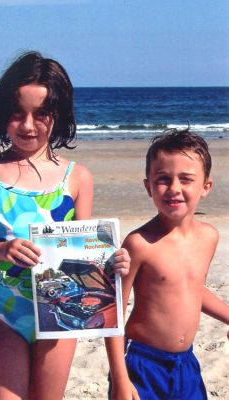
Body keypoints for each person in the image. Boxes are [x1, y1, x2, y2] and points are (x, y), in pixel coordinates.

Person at [0, 51, 130, 400]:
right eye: (17, 113)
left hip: (60, 315)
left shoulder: (76, 178)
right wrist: (0, 250)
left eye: (42, 114)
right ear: (3, 113)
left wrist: (113, 261)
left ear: (59, 116)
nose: (29, 125)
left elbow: (85, 257)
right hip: (5, 314)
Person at [105, 128, 229, 400]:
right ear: (148, 186)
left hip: (186, 363)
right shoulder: (139, 243)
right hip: (141, 363)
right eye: (163, 179)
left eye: (186, 179)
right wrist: (120, 379)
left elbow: (192, 289)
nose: (174, 188)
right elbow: (112, 314)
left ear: (206, 187)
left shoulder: (209, 236)